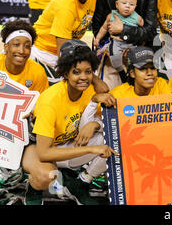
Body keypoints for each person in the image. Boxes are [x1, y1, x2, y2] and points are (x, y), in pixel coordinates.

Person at [22, 39, 118, 205]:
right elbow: (44, 152)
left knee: (114, 138)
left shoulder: (88, 88)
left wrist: (94, 124)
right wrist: (93, 149)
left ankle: (80, 183)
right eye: (76, 72)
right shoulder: (50, 99)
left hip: (66, 142)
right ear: (65, 73)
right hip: (36, 147)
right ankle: (32, 188)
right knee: (45, 176)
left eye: (88, 71)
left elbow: (104, 90)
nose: (83, 77)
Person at [92, 0, 158, 89]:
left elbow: (151, 32)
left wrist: (124, 31)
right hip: (111, 57)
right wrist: (107, 48)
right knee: (112, 99)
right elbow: (97, 28)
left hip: (141, 57)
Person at [31, 0, 100, 85]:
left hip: (68, 48)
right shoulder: (65, 5)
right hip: (44, 52)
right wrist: (95, 80)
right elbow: (63, 53)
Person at [94, 0, 144, 83]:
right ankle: (121, 71)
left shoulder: (137, 18)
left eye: (131, 4)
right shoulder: (112, 16)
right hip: (117, 42)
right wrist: (97, 38)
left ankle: (131, 72)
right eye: (124, 3)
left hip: (131, 44)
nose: (127, 6)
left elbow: (143, 31)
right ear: (117, 5)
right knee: (114, 55)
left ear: (135, 7)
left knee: (135, 57)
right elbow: (104, 28)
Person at [0, 19, 48, 93]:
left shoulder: (38, 73)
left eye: (27, 46)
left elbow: (41, 103)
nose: (21, 51)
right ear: (6, 47)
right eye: (16, 44)